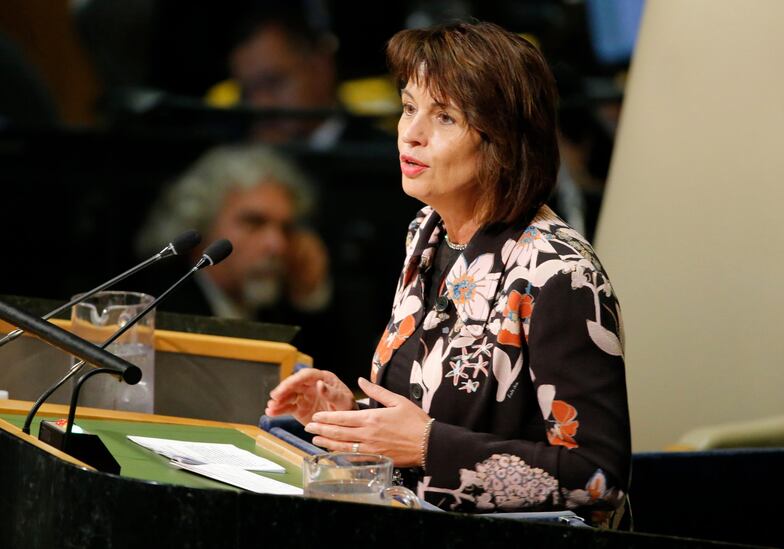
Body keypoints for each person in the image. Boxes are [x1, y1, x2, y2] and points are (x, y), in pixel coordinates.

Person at [265, 22, 630, 522]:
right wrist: (353, 418)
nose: (411, 134)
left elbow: (598, 479)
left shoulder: (561, 275)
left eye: (445, 118)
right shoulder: (427, 232)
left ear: (502, 141)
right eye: (410, 107)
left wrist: (427, 447)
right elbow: (425, 419)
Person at [136, 144, 332, 363]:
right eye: (254, 222)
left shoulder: (279, 307)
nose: (277, 244)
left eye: (286, 228)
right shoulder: (159, 310)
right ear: (202, 223)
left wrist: (308, 292)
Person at [228, 4, 389, 148]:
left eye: (273, 82)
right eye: (248, 91)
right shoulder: (233, 162)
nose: (260, 104)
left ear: (320, 68)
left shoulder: (385, 158)